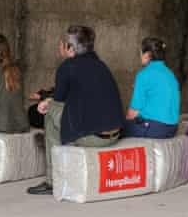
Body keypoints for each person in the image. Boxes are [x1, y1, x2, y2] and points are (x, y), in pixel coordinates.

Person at [27, 26, 125, 196]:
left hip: (95, 138)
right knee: (57, 109)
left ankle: (52, 181)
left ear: (70, 49)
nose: (60, 47)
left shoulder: (68, 66)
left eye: (62, 44)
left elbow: (58, 101)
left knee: (50, 112)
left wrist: (46, 102)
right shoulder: (101, 65)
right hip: (115, 133)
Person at [123, 37, 180, 139]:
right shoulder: (170, 74)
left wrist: (125, 122)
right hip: (172, 128)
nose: (140, 56)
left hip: (154, 128)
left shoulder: (144, 74)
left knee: (117, 128)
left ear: (146, 55)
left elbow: (132, 113)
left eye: (140, 53)